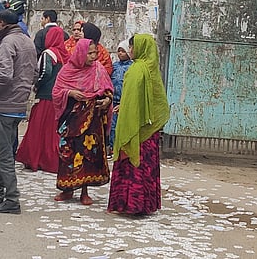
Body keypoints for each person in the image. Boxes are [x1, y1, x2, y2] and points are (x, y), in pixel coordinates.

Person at [0, 10, 36, 214]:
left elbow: (4, 75)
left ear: (1, 23)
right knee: (4, 149)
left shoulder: (7, 43)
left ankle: (11, 198)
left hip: (5, 103)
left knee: (3, 155)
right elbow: (34, 72)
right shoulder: (27, 41)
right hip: (18, 102)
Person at [108, 33, 170, 216]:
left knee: (131, 166)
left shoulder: (136, 70)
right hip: (150, 131)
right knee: (146, 167)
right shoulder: (152, 70)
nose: (131, 50)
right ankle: (146, 205)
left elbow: (134, 100)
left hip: (135, 128)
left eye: (133, 47)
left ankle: (129, 204)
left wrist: (126, 109)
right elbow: (158, 103)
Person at [52, 40, 113, 205]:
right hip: (72, 120)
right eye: (90, 53)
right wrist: (70, 93)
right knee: (68, 153)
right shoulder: (67, 71)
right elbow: (57, 92)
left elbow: (108, 90)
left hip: (92, 121)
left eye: (95, 52)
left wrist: (107, 100)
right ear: (81, 53)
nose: (94, 56)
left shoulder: (98, 69)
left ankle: (85, 191)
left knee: (88, 155)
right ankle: (67, 189)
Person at [16, 25, 67, 173]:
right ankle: (50, 159)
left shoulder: (48, 53)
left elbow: (45, 72)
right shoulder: (63, 54)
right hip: (57, 97)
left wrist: (37, 85)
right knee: (51, 130)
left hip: (45, 96)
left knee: (38, 128)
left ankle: (34, 158)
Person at [107, 40, 133, 153]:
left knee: (123, 126)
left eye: (123, 51)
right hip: (114, 101)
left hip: (126, 102)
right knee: (112, 126)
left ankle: (122, 148)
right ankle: (113, 147)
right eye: (119, 51)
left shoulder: (132, 67)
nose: (120, 54)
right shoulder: (114, 66)